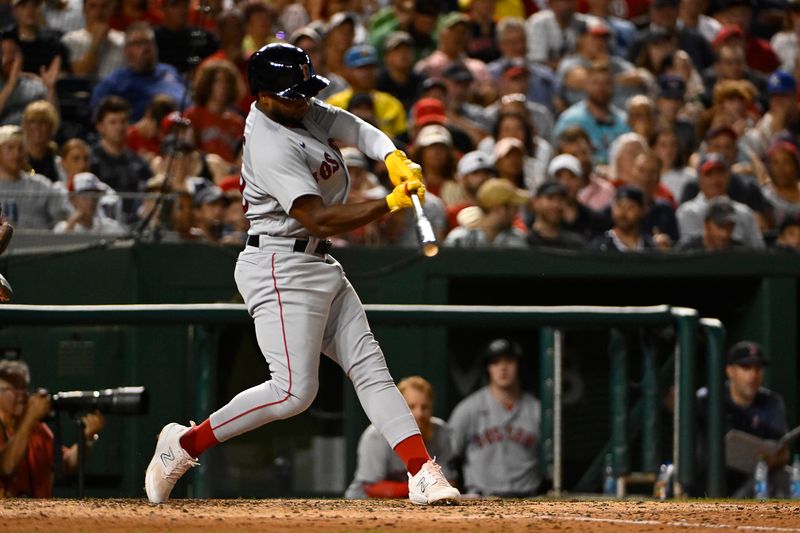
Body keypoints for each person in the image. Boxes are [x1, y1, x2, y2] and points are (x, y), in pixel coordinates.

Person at [144, 42, 460, 507]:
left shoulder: (298, 109)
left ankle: (420, 471)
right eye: (292, 95)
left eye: (304, 92)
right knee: (293, 392)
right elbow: (317, 218)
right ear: (263, 97)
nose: (303, 100)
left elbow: (351, 125)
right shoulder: (270, 140)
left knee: (370, 367)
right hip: (279, 263)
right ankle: (183, 446)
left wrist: (392, 156)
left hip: (317, 261)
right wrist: (388, 203)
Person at [696, 341, 791, 498]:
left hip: (752, 481)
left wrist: (772, 459)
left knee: (782, 476)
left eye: (758, 368)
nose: (753, 375)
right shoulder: (708, 399)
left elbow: (783, 452)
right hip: (711, 479)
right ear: (730, 371)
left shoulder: (771, 402)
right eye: (746, 368)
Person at [448, 338, 541, 497]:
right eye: (496, 363)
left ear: (519, 366)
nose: (503, 368)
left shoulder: (537, 409)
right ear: (488, 369)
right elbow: (446, 455)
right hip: (481, 498)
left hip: (528, 498)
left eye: (509, 361)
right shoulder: (468, 409)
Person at [0, 359, 105, 497]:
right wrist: (30, 417)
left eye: (24, 387)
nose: (22, 395)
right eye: (14, 388)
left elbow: (65, 464)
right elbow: (5, 467)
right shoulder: (29, 423)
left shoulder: (37, 429)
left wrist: (86, 438)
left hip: (38, 516)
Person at [345, 376, 456, 499]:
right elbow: (370, 487)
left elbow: (449, 482)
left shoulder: (441, 432)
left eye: (424, 407)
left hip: (413, 503)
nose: (419, 413)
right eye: (411, 406)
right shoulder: (376, 434)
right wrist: (426, 487)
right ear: (399, 409)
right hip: (365, 504)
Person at [90, 22, 187, 122]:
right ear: (126, 50)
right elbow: (100, 118)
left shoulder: (170, 71)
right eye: (138, 43)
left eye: (149, 42)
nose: (146, 48)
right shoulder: (114, 83)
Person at [676, 152, 764, 249]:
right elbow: (689, 251)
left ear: (728, 176)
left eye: (720, 173)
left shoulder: (744, 212)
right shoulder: (688, 211)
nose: (715, 179)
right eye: (709, 174)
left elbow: (758, 249)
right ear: (699, 178)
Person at [0, 124, 70, 230]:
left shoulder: (42, 185)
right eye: (10, 148)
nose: (16, 153)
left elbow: (62, 220)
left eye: (21, 148)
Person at [444, 177, 529, 249]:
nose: (516, 213)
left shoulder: (517, 239)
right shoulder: (460, 239)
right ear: (498, 209)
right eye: (513, 208)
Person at [61, 0, 125, 78]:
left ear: (111, 10)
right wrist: (95, 43)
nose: (99, 12)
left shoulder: (124, 39)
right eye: (93, 6)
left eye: (104, 6)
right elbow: (80, 74)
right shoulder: (70, 39)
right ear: (84, 9)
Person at [54, 172, 124, 235]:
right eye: (85, 197)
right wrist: (70, 225)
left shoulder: (111, 227)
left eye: (95, 196)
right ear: (73, 199)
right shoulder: (61, 228)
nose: (91, 201)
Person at [590, 186, 655, 252]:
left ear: (642, 210)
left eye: (630, 207)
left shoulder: (651, 246)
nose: (623, 213)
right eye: (619, 206)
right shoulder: (600, 246)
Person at [527, 179, 587, 250]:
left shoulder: (576, 245)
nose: (556, 204)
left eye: (560, 200)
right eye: (550, 198)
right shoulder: (524, 243)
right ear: (536, 202)